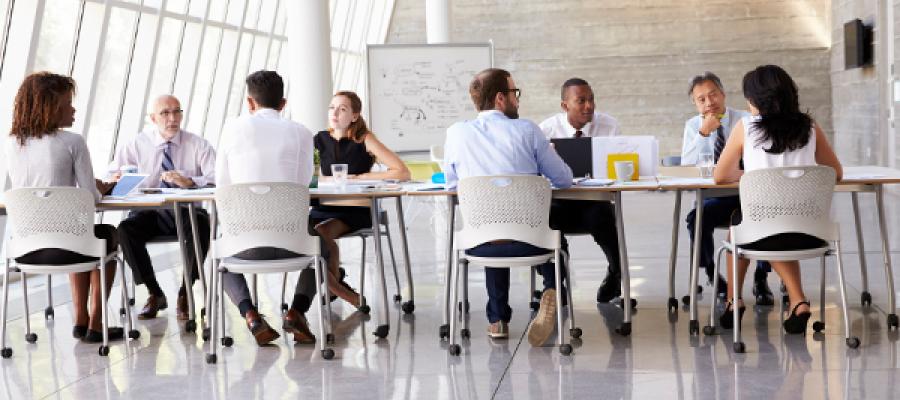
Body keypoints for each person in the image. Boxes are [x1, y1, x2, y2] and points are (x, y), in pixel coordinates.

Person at [443, 68, 573, 346]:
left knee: (492, 226)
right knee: (552, 234)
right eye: (515, 93)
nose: (518, 100)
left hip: (479, 243)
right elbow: (563, 179)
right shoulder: (528, 129)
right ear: (501, 98)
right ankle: (551, 288)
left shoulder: (456, 133)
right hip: (532, 242)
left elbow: (451, 184)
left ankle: (497, 319)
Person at [713, 64, 842, 333]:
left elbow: (720, 175)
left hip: (763, 230)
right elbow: (835, 173)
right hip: (811, 231)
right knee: (775, 224)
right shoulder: (809, 127)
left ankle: (733, 301)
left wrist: (751, 175)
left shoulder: (746, 128)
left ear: (756, 100)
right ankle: (798, 302)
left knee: (741, 229)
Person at [4, 72, 121, 343]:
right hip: (70, 247)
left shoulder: (12, 144)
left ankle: (80, 321)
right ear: (50, 107)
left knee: (80, 234)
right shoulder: (73, 142)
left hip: (27, 250)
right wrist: (99, 188)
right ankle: (95, 322)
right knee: (103, 234)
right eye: (68, 103)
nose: (73, 108)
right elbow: (91, 198)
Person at [216, 70, 316, 345]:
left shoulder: (231, 129)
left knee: (219, 252)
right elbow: (303, 182)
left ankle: (250, 315)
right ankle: (296, 312)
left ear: (250, 103)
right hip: (293, 242)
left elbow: (222, 184)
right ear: (283, 103)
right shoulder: (302, 133)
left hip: (243, 244)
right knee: (325, 247)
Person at [110, 95, 215, 321]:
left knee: (202, 224)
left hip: (186, 213)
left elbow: (216, 177)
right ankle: (154, 293)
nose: (172, 118)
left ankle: (186, 291)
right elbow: (111, 174)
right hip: (149, 214)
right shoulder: (137, 144)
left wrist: (190, 182)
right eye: (165, 113)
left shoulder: (198, 144)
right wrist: (117, 177)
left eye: (177, 111)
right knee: (125, 230)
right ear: (153, 118)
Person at [680, 71, 774, 305]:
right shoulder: (693, 126)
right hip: (716, 197)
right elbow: (687, 165)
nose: (709, 102)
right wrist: (704, 133)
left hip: (751, 195)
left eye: (713, 95)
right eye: (701, 99)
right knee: (696, 218)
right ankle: (712, 273)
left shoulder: (747, 119)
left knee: (765, 217)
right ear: (695, 104)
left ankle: (761, 277)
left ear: (723, 94)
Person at [312, 90, 410, 307]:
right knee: (306, 235)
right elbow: (309, 176)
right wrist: (325, 179)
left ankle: (338, 289)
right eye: (332, 107)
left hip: (355, 210)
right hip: (323, 207)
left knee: (321, 233)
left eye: (342, 108)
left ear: (354, 116)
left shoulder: (364, 139)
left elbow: (402, 172)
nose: (335, 112)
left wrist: (362, 176)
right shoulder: (318, 140)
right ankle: (337, 283)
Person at [539, 77, 625, 303]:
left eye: (591, 99)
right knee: (544, 222)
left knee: (604, 217)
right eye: (581, 101)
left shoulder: (609, 126)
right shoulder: (545, 130)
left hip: (594, 202)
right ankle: (556, 286)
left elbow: (615, 170)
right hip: (558, 203)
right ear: (565, 105)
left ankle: (616, 275)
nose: (589, 106)